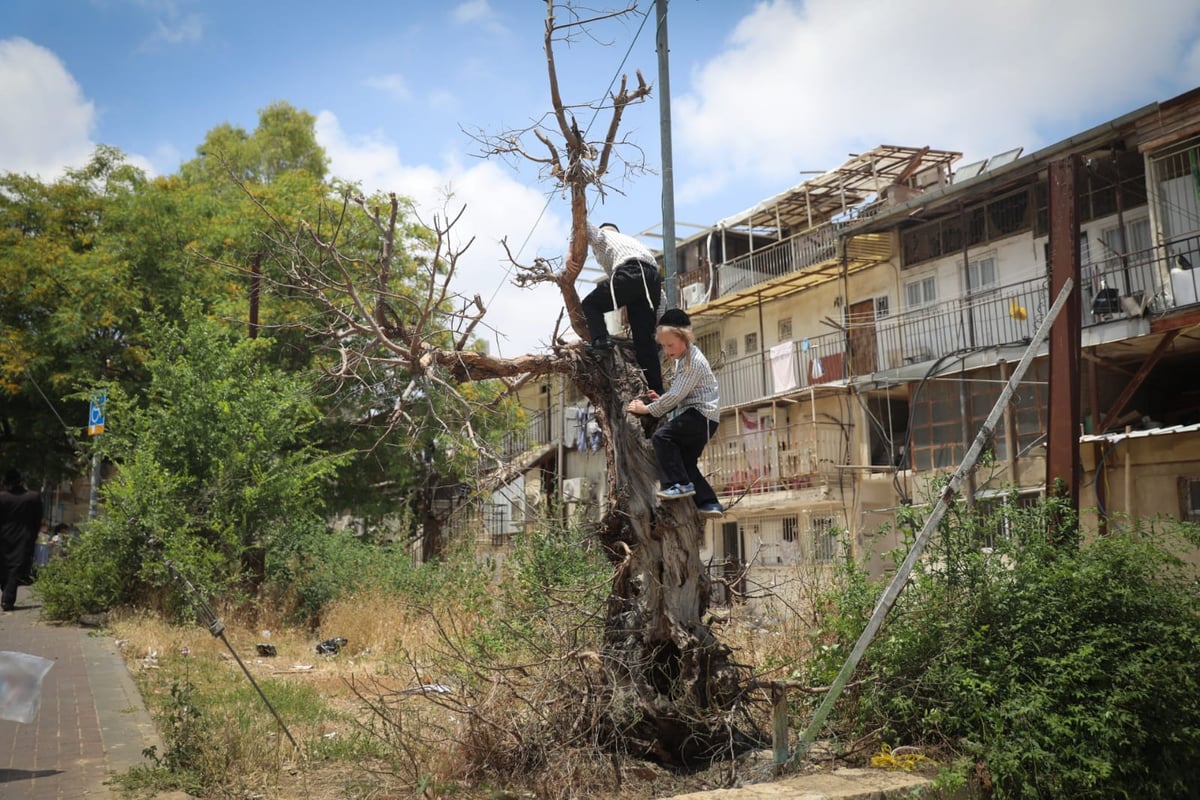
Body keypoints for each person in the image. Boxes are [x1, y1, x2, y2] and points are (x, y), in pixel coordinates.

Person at [625, 309, 724, 518]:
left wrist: (647, 410)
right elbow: (678, 393)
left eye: (670, 345)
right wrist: (660, 400)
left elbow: (677, 395)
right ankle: (709, 503)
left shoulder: (692, 362)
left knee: (663, 437)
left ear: (685, 338)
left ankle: (677, 485)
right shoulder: (685, 359)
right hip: (705, 418)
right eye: (663, 346)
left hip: (700, 415)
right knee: (686, 462)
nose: (667, 350)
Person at [581, 221, 664, 395]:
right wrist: (659, 324)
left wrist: (570, 255)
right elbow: (660, 297)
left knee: (590, 304)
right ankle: (657, 391)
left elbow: (582, 224)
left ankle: (601, 342)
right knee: (644, 342)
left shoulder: (604, 236)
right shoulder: (633, 244)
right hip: (652, 279)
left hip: (631, 272)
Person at [0, 469, 44, 611]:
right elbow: (38, 518)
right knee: (16, 568)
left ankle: (7, 597)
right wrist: (34, 534)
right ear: (21, 481)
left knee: (5, 567)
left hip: (3, 538)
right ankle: (7, 598)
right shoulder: (33, 497)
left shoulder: (2, 497)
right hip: (24, 538)